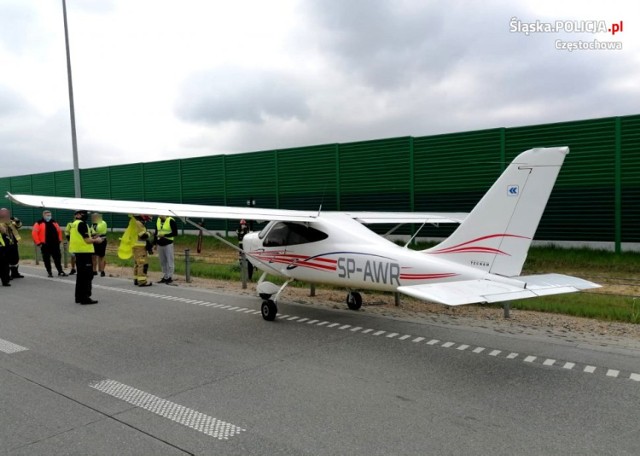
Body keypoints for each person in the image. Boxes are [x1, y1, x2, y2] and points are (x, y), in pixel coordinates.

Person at [68, 210, 104, 304]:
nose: (85, 215)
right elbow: (87, 240)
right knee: (87, 275)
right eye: (83, 214)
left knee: (80, 276)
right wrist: (97, 240)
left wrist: (94, 236)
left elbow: (83, 236)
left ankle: (79, 297)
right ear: (77, 215)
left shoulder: (74, 224)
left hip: (78, 252)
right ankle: (85, 297)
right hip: (84, 253)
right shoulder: (82, 224)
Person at [118, 215, 153, 287]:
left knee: (137, 263)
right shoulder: (138, 223)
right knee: (142, 263)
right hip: (140, 247)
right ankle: (142, 281)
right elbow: (143, 235)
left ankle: (136, 279)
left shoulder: (135, 222)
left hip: (136, 246)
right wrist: (149, 233)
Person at [32, 210, 67, 277]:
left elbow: (59, 231)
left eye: (50, 215)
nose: (49, 216)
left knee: (57, 258)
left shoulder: (54, 222)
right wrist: (39, 243)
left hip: (55, 244)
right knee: (46, 259)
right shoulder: (39, 223)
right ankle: (49, 272)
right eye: (47, 215)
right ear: (43, 215)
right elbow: (34, 233)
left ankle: (60, 271)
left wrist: (59, 240)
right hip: (45, 244)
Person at [0, 208, 23, 279]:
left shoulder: (10, 221)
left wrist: (17, 221)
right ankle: (7, 275)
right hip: (5, 243)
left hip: (13, 242)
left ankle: (15, 273)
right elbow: (3, 230)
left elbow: (18, 226)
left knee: (15, 258)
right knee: (7, 259)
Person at [154, 214, 177, 284]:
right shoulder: (158, 220)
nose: (160, 216)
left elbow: (175, 233)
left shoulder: (171, 220)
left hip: (168, 244)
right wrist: (155, 243)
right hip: (160, 244)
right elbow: (156, 232)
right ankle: (165, 276)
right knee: (162, 261)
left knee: (170, 261)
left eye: (161, 215)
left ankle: (169, 277)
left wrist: (164, 235)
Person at [91, 212, 108, 277]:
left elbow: (102, 232)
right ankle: (94, 270)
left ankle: (102, 271)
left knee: (101, 256)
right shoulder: (93, 224)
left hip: (102, 240)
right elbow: (92, 231)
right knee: (93, 256)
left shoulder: (103, 223)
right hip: (94, 240)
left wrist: (95, 236)